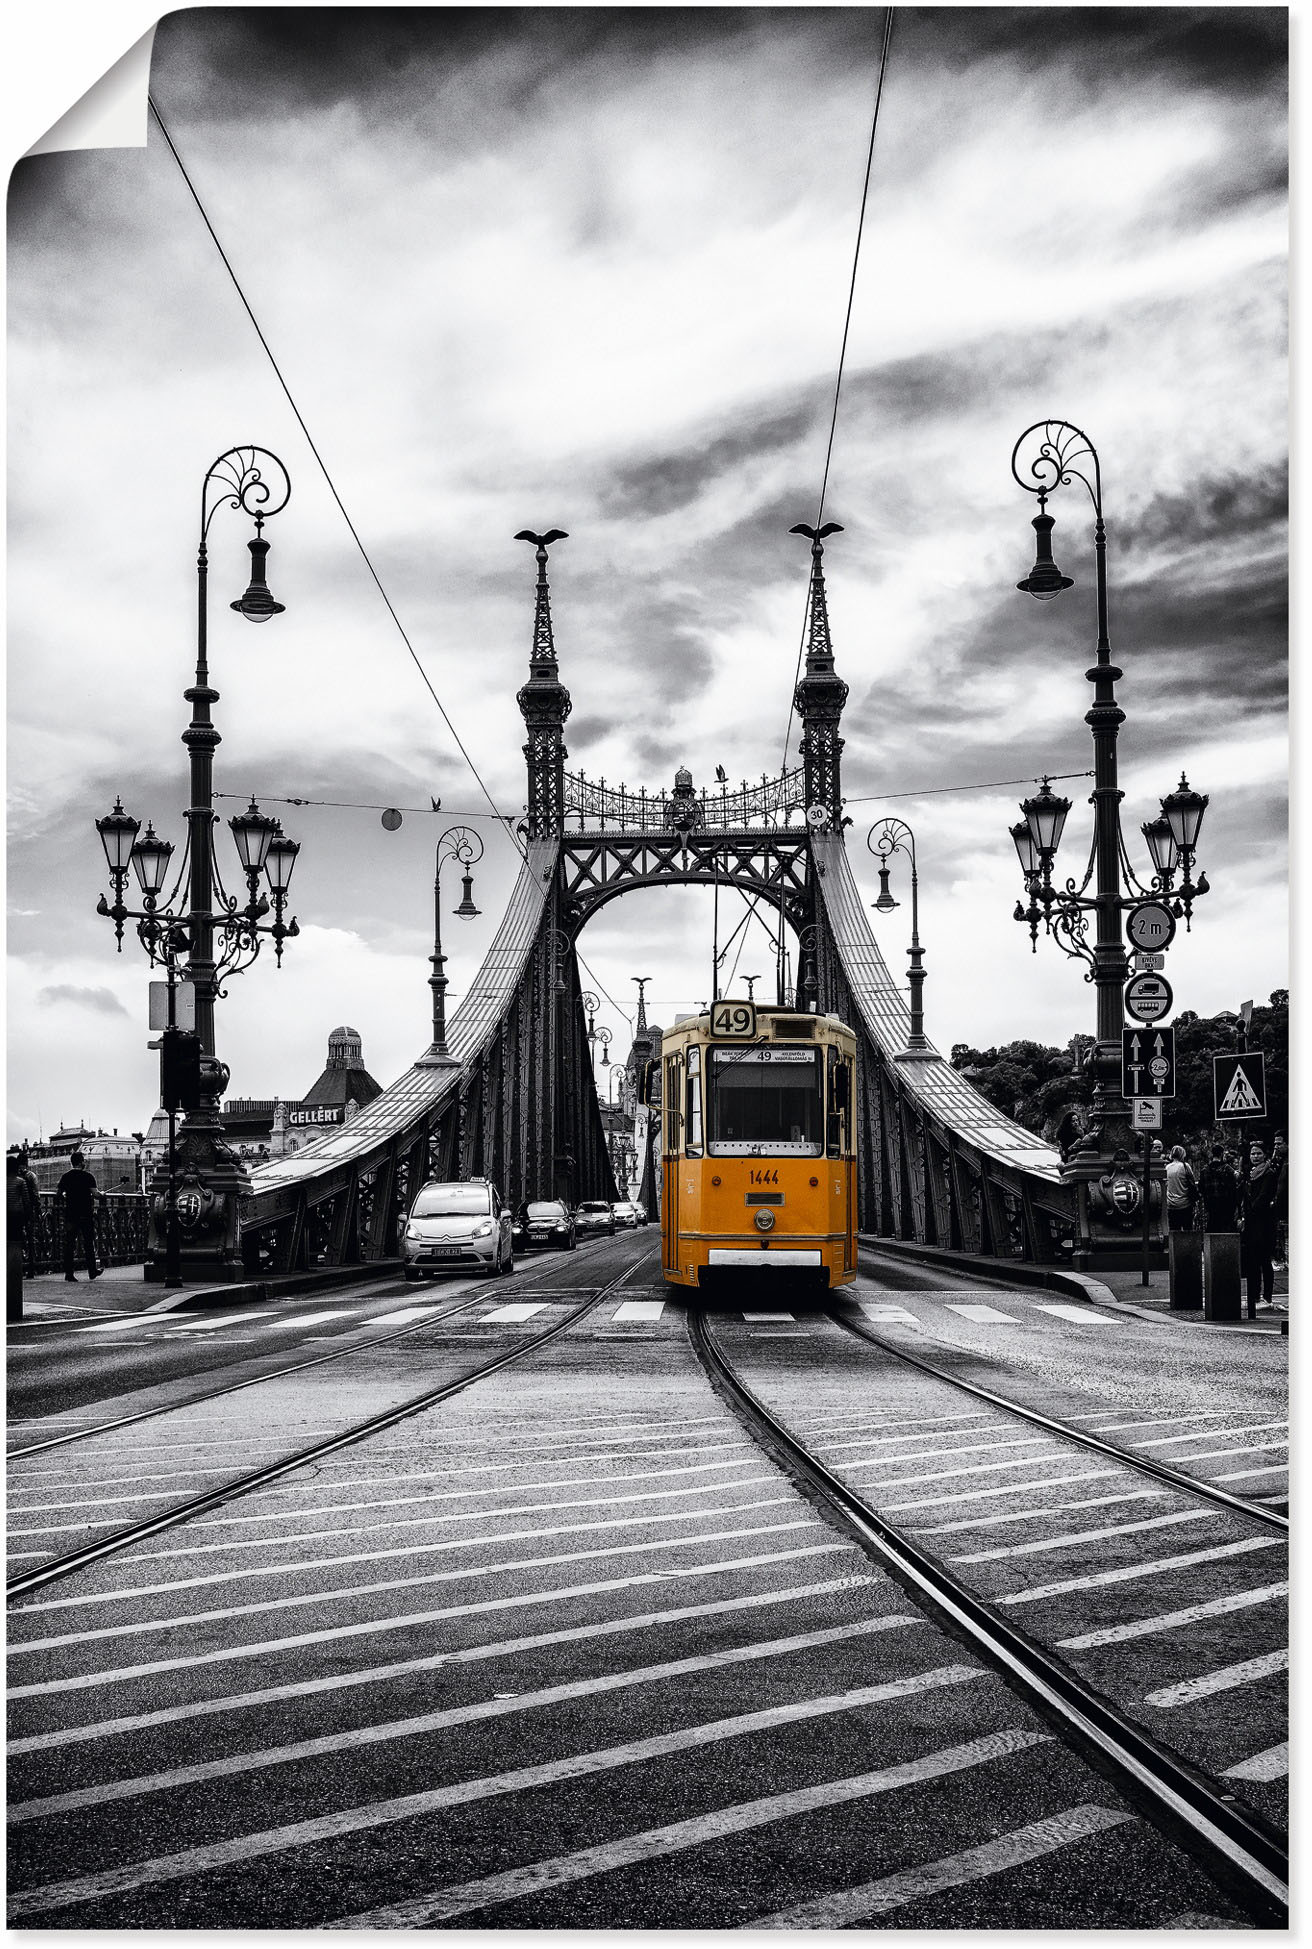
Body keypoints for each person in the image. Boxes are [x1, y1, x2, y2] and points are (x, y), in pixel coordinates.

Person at [1240, 1139, 1280, 1311]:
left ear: (1265, 1155)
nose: (1255, 1156)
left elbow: (1263, 1196)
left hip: (1264, 1222)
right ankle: (1254, 1296)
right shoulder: (1249, 1173)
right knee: (1252, 1261)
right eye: (1253, 1153)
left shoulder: (1269, 1173)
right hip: (1250, 1222)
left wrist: (1254, 1208)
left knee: (1264, 1260)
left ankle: (1267, 1297)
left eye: (1258, 1153)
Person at [56, 1150, 101, 1283]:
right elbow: (95, 1194)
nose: (85, 1162)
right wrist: (102, 1194)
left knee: (70, 1244)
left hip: (71, 1214)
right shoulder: (88, 1177)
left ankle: (69, 1273)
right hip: (86, 1213)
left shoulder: (66, 1176)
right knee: (88, 1243)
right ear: (81, 1162)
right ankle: (92, 1271)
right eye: (83, 1160)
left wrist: (66, 1197)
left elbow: (58, 1194)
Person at [7, 1151, 32, 1322]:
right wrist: (29, 1217)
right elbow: (26, 1201)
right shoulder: (21, 1181)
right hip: (16, 1216)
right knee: (16, 1243)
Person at [1199, 1146, 1239, 1232]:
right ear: (1221, 1154)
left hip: (1210, 1202)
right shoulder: (1227, 1168)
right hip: (1225, 1202)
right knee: (1225, 1226)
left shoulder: (1205, 1169)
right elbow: (1234, 1183)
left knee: (1212, 1224)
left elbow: (1201, 1188)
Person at [1164, 1145, 1198, 1232]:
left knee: (1174, 1230)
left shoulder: (1167, 1168)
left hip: (1171, 1204)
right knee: (1187, 1229)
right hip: (1185, 1204)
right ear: (1182, 1154)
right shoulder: (1185, 1166)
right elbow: (1192, 1182)